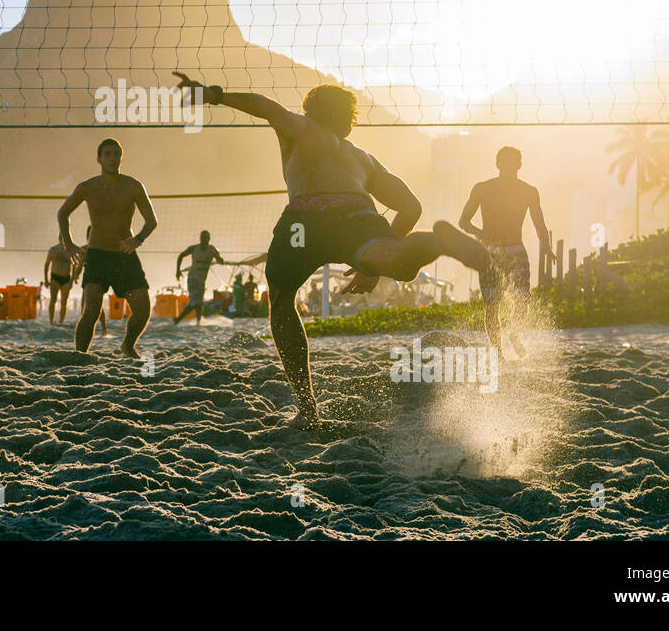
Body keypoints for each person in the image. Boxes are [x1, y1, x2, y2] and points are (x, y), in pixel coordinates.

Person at [171, 72, 491, 427]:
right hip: (356, 214)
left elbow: (265, 107)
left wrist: (214, 95)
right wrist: (371, 268)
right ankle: (438, 241)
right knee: (395, 260)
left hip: (303, 222)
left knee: (281, 299)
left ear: (311, 110)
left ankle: (307, 410)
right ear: (347, 120)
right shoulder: (363, 159)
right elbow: (411, 206)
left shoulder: (302, 128)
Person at [57, 139, 157, 356]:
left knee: (143, 309)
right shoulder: (87, 187)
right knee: (91, 309)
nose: (113, 158)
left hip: (125, 254)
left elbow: (151, 221)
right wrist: (69, 244)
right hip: (98, 255)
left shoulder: (133, 186)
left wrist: (137, 239)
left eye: (117, 154)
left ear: (121, 158)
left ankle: (128, 346)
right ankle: (79, 355)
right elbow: (63, 213)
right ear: (99, 159)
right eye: (108, 154)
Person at [458, 146, 554, 358]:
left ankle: (515, 334)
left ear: (520, 164)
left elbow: (539, 223)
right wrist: (480, 233)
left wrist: (546, 247)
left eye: (513, 161)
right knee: (491, 306)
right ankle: (497, 351)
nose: (508, 165)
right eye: (504, 161)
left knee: (522, 300)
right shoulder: (482, 189)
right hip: (489, 255)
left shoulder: (528, 191)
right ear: (497, 164)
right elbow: (463, 221)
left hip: (516, 252)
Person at [172, 231, 227, 325]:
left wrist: (219, 259)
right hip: (192, 278)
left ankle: (194, 321)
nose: (203, 241)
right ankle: (185, 320)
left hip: (202, 280)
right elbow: (180, 256)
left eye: (206, 239)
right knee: (197, 303)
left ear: (209, 239)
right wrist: (178, 270)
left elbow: (220, 260)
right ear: (200, 239)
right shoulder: (194, 248)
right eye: (202, 238)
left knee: (198, 302)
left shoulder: (213, 250)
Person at [43, 241, 77, 325]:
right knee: (53, 300)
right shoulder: (53, 250)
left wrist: (72, 280)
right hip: (55, 277)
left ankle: (61, 321)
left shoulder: (70, 251)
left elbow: (74, 266)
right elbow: (47, 265)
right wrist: (46, 280)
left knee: (64, 302)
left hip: (66, 278)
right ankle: (51, 321)